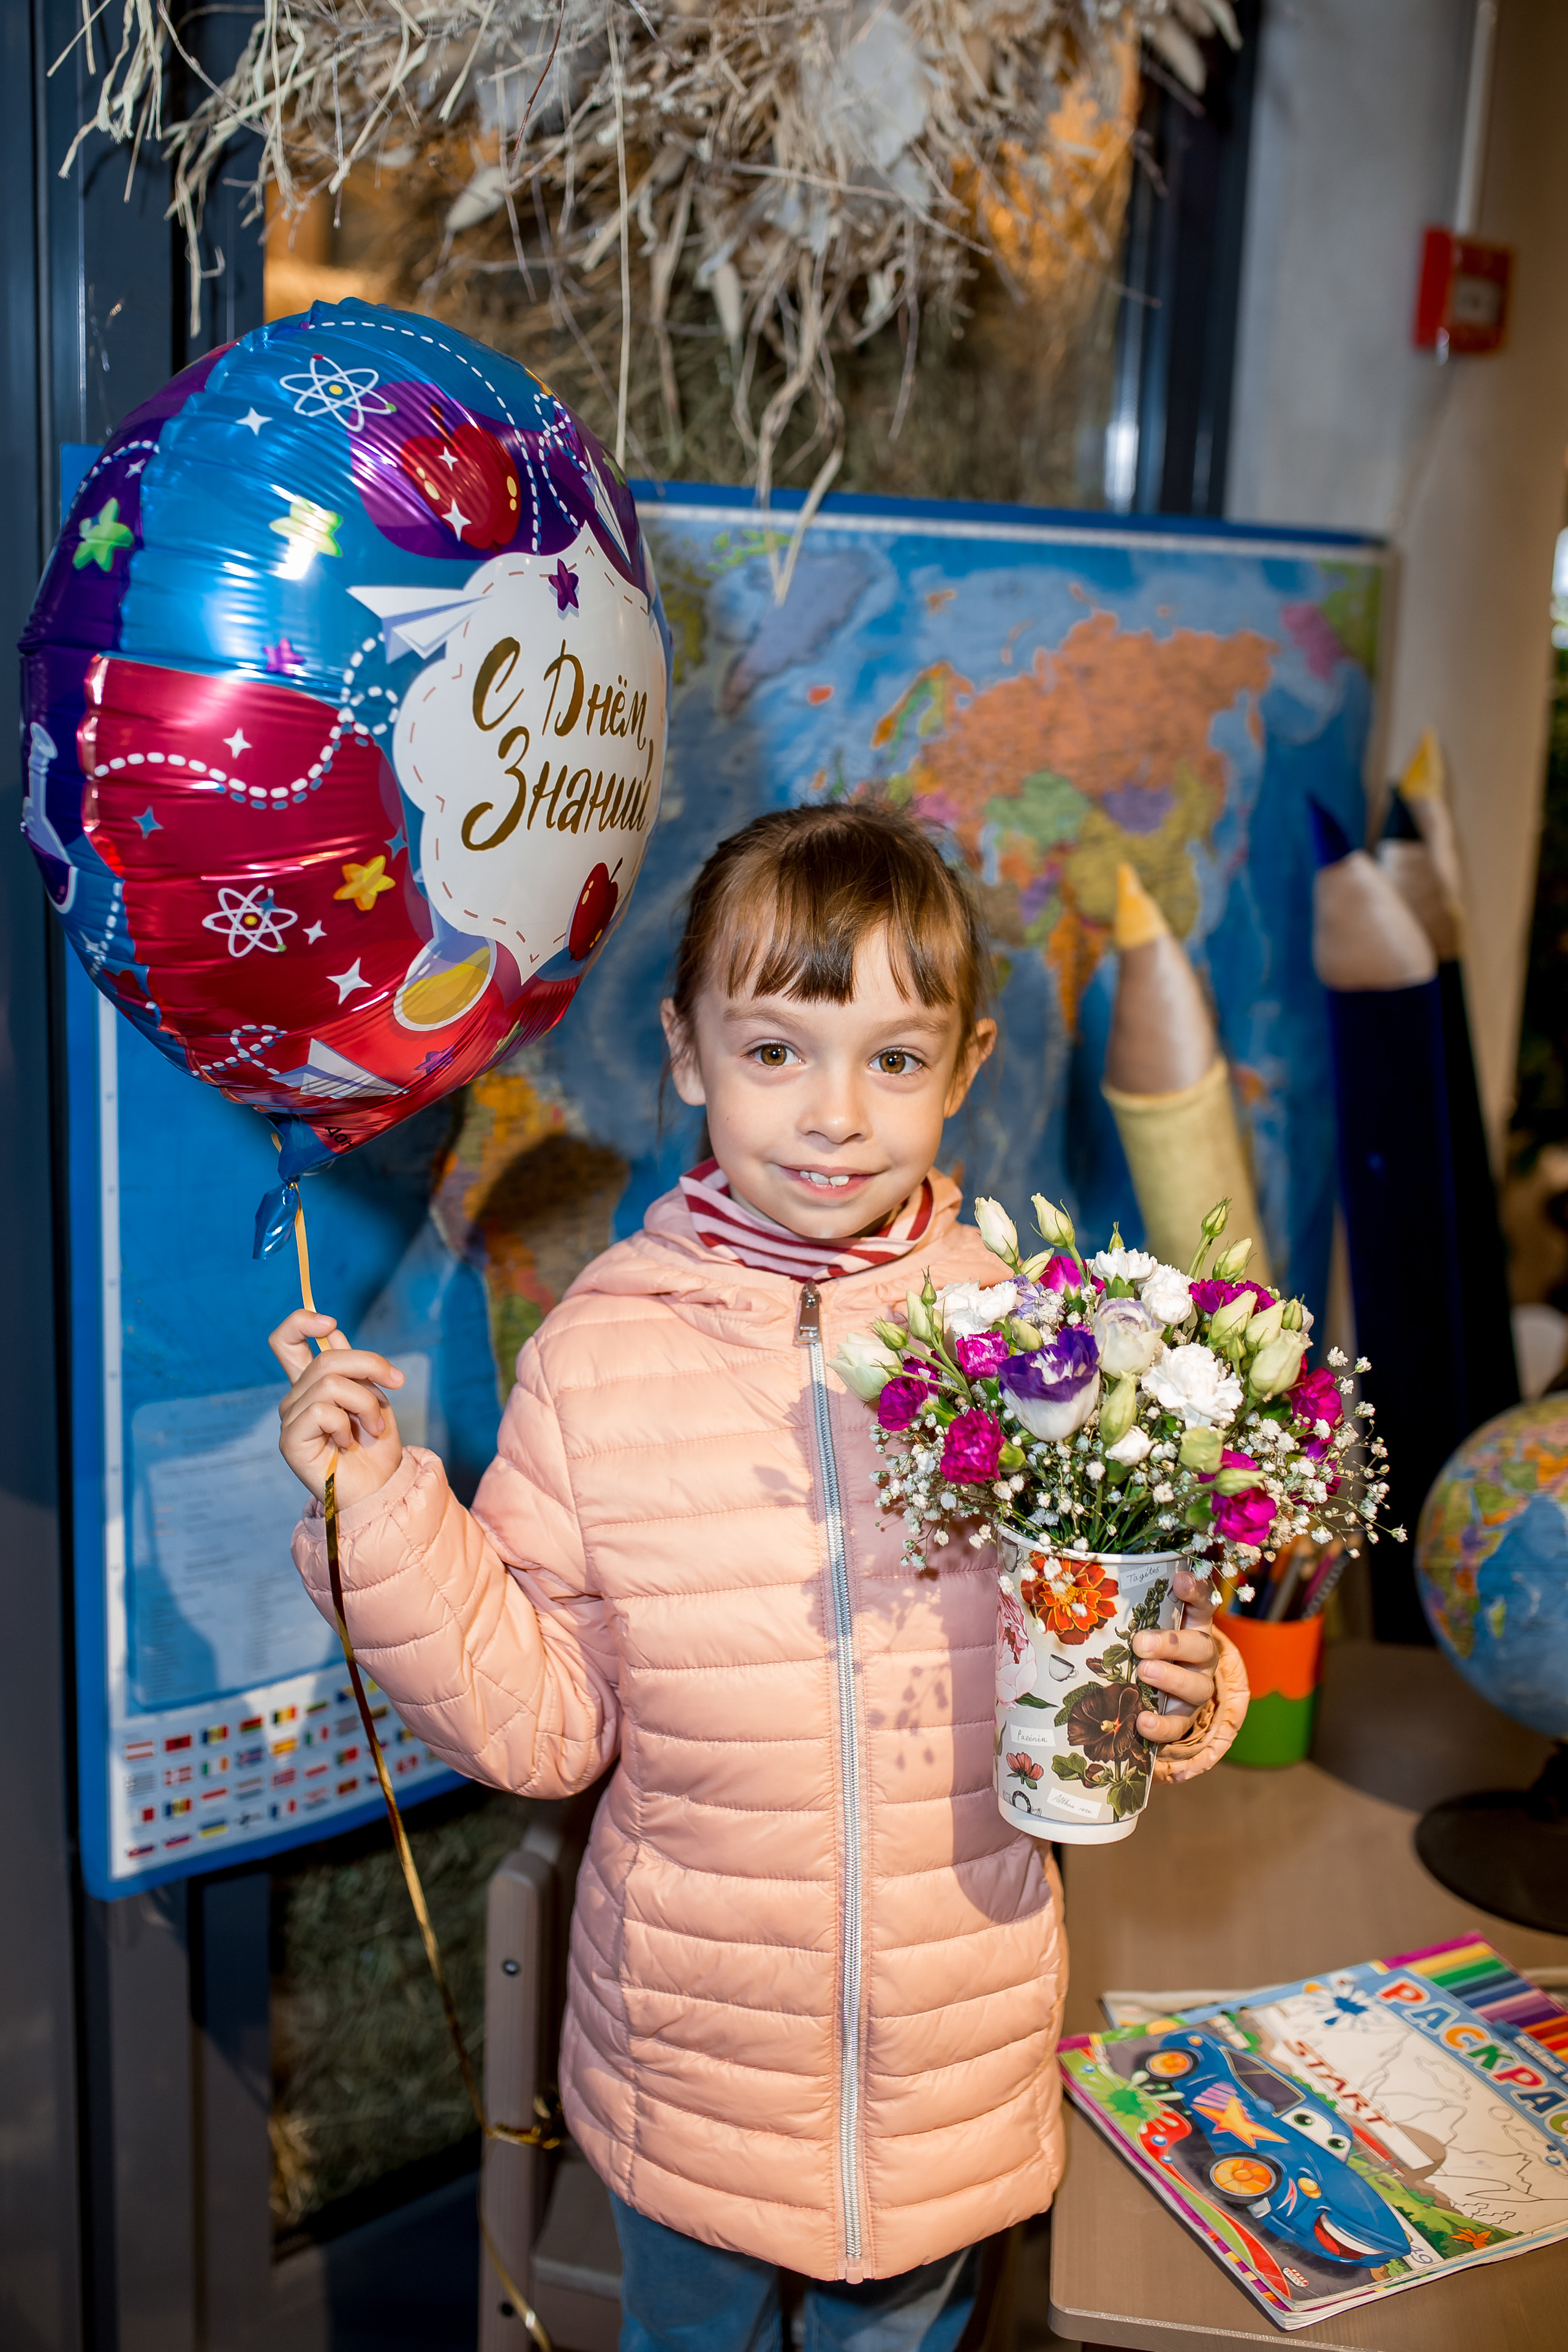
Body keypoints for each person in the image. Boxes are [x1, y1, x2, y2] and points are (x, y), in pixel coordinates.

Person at [271, 803, 1248, 2352]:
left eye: (895, 1059)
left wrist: (1183, 1687)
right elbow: (547, 1731)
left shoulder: (1037, 1340)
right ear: (684, 1051)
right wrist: (377, 1516)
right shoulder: (600, 1348)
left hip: (954, 2080)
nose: (835, 1117)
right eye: (776, 1050)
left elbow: (1108, 1628)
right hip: (691, 2087)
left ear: (968, 1065)